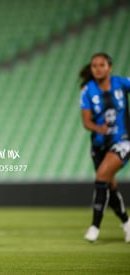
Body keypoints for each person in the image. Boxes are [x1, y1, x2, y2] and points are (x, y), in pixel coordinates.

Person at [79, 52, 130, 243]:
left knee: (101, 176)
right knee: (109, 185)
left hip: (123, 141)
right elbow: (86, 122)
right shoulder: (87, 90)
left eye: (101, 65)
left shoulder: (121, 83)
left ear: (110, 67)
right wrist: (98, 128)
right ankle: (127, 222)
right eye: (94, 66)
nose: (98, 68)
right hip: (99, 144)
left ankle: (95, 226)